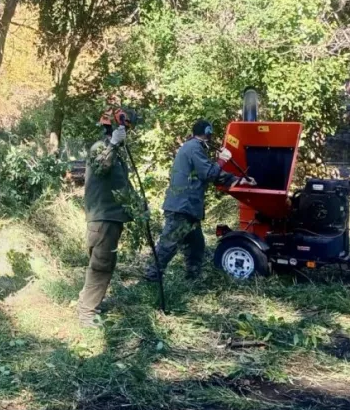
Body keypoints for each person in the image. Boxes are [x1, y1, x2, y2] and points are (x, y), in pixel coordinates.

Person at [145, 119, 254, 282]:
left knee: (196, 245)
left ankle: (192, 277)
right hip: (182, 207)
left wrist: (239, 180)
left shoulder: (194, 148)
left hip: (189, 208)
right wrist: (222, 159)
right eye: (210, 134)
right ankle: (151, 276)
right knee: (169, 244)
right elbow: (209, 174)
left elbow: (212, 173)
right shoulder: (194, 148)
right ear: (207, 133)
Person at [77, 107, 141, 328]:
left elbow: (121, 184)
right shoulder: (101, 148)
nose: (127, 134)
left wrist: (138, 206)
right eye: (125, 128)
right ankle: (87, 314)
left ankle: (87, 303)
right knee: (101, 265)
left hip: (112, 217)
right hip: (103, 217)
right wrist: (113, 144)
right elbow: (101, 168)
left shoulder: (116, 154)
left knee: (105, 263)